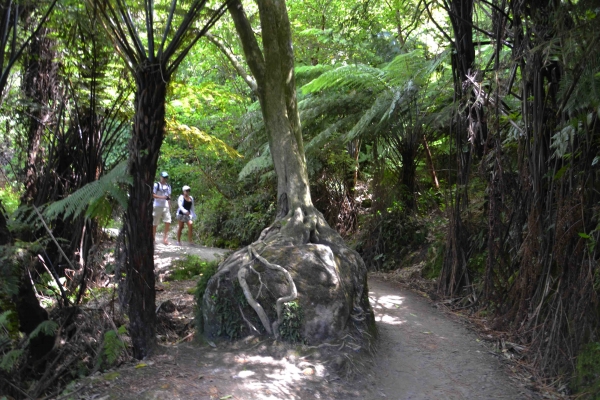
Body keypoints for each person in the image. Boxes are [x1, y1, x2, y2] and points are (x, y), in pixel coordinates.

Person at [153, 171, 172, 245]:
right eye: (163, 177)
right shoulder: (156, 185)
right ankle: (153, 238)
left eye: (166, 177)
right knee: (155, 223)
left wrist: (169, 204)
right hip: (157, 206)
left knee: (168, 221)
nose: (164, 179)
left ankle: (165, 239)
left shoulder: (168, 186)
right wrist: (162, 197)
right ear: (160, 177)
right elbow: (153, 195)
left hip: (165, 206)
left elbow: (169, 196)